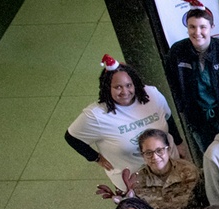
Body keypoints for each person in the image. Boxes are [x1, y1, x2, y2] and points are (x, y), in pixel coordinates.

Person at [66, 56, 185, 189]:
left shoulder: (152, 94)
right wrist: (95, 157)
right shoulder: (96, 116)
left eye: (129, 85)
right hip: (137, 183)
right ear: (107, 88)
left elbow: (168, 117)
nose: (125, 92)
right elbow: (71, 138)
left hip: (171, 170)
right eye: (118, 87)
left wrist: (179, 143)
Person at [165, 3, 219, 151]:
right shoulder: (176, 53)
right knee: (210, 156)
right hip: (198, 118)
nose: (197, 32)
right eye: (192, 27)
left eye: (203, 27)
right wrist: (183, 107)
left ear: (212, 27)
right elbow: (173, 84)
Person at [132, 129, 206, 209]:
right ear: (142, 155)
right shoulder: (137, 182)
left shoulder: (188, 171)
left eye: (159, 150)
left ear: (168, 149)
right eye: (148, 153)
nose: (155, 157)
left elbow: (207, 202)